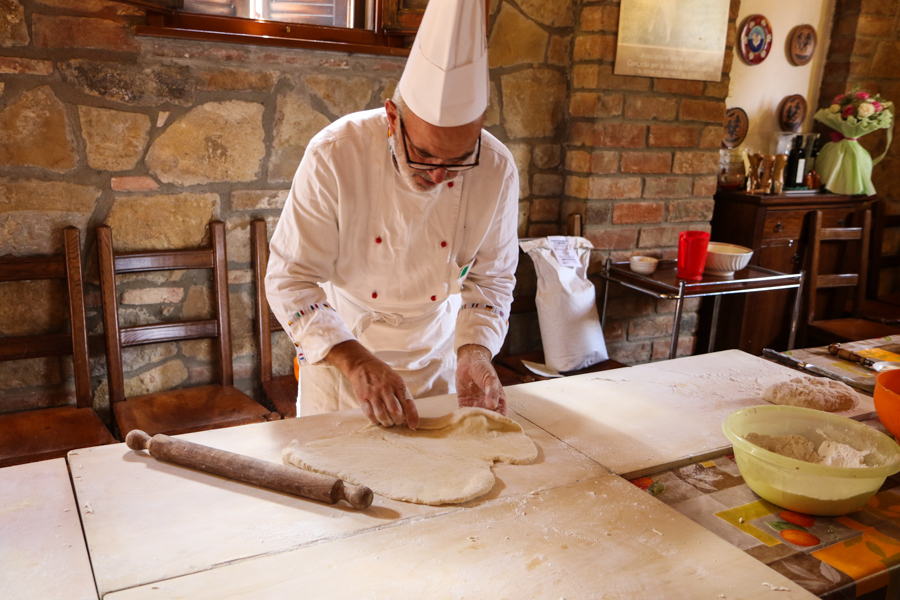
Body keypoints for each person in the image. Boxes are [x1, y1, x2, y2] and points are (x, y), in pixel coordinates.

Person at [265, 0, 519, 429]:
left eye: (457, 160)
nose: (438, 175)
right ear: (391, 117)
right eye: (423, 153)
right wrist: (358, 363)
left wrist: (474, 350)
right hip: (343, 361)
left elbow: (492, 278)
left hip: (436, 360)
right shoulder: (335, 154)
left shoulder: (496, 168)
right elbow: (290, 279)